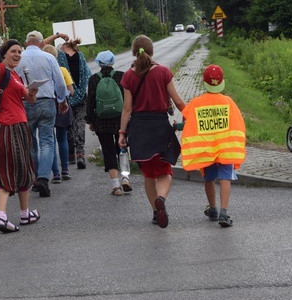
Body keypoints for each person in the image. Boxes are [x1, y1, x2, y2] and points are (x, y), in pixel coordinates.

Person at [0, 21, 41, 232]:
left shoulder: (16, 75)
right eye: (13, 51)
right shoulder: (2, 71)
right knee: (7, 171)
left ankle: (22, 214)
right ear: (4, 54)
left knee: (23, 170)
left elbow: (29, 101)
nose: (18, 54)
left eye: (19, 52)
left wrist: (32, 93)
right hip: (7, 128)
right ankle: (4, 217)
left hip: (20, 127)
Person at [118, 35, 185, 228]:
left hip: (139, 128)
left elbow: (127, 108)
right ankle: (161, 198)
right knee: (164, 169)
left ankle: (156, 213)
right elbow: (178, 101)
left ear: (133, 52)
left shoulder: (128, 76)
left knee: (149, 174)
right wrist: (192, 116)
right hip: (159, 126)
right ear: (152, 51)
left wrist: (122, 133)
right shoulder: (163, 72)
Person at [179, 65, 246, 227]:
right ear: (222, 82)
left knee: (209, 179)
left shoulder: (197, 103)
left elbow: (187, 122)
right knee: (225, 178)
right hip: (225, 148)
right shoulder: (228, 102)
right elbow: (238, 122)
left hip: (206, 149)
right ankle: (224, 212)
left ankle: (213, 209)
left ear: (204, 82)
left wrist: (177, 127)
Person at [18, 30, 68, 197]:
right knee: (47, 141)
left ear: (26, 43)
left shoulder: (18, 58)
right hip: (47, 102)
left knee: (31, 142)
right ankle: (44, 178)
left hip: (25, 102)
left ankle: (34, 178)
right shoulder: (49, 58)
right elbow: (60, 83)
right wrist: (62, 100)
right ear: (41, 43)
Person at [85, 50, 129, 195]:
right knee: (121, 148)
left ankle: (116, 186)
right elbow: (128, 101)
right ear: (112, 61)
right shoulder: (121, 76)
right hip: (120, 120)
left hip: (102, 121)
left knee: (108, 151)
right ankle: (125, 178)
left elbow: (90, 102)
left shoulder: (93, 79)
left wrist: (90, 120)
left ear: (98, 63)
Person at [57, 38, 91, 169]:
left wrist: (58, 35)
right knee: (80, 124)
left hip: (67, 97)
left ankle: (70, 153)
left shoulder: (60, 58)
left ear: (64, 47)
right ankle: (81, 154)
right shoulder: (81, 57)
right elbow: (87, 74)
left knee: (69, 125)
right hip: (82, 96)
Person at [42, 44, 74, 184]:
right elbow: (71, 91)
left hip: (47, 105)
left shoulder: (42, 72)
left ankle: (55, 173)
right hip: (62, 106)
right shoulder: (62, 70)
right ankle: (65, 169)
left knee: (50, 141)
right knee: (62, 138)